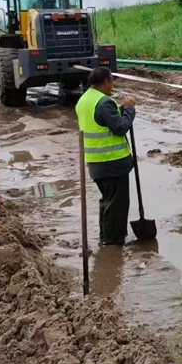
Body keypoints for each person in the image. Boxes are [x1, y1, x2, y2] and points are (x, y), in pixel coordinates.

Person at [75, 67, 136, 245]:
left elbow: (102, 119)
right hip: (112, 161)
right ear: (106, 82)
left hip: (96, 163)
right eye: (112, 81)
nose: (113, 85)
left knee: (107, 200)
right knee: (117, 204)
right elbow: (120, 128)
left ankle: (106, 237)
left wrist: (122, 107)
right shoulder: (104, 102)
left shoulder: (84, 100)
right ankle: (114, 241)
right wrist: (130, 110)